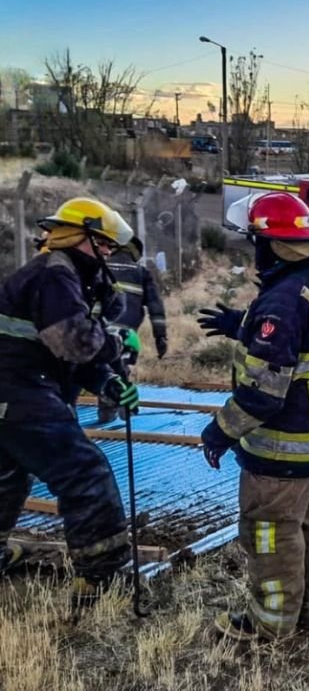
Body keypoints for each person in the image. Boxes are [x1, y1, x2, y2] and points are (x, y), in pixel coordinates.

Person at [197, 191, 309, 642]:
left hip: (286, 445)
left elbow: (264, 394)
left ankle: (271, 623)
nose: (253, 250)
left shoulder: (281, 302)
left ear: (271, 245)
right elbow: (294, 342)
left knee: (268, 530)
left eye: (255, 241)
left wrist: (219, 431)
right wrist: (241, 324)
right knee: (302, 525)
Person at [0, 197, 140, 606]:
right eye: (104, 243)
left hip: (14, 392)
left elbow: (64, 355)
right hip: (19, 390)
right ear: (80, 237)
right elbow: (76, 342)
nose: (109, 252)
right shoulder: (55, 275)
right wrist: (116, 344)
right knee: (84, 472)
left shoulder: (66, 276)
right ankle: (102, 575)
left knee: (7, 476)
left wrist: (108, 383)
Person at [96, 237, 168, 423]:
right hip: (127, 334)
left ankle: (106, 407)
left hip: (99, 331)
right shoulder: (141, 272)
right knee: (122, 367)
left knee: (102, 367)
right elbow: (155, 308)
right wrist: (160, 337)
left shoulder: (99, 267)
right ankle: (124, 407)